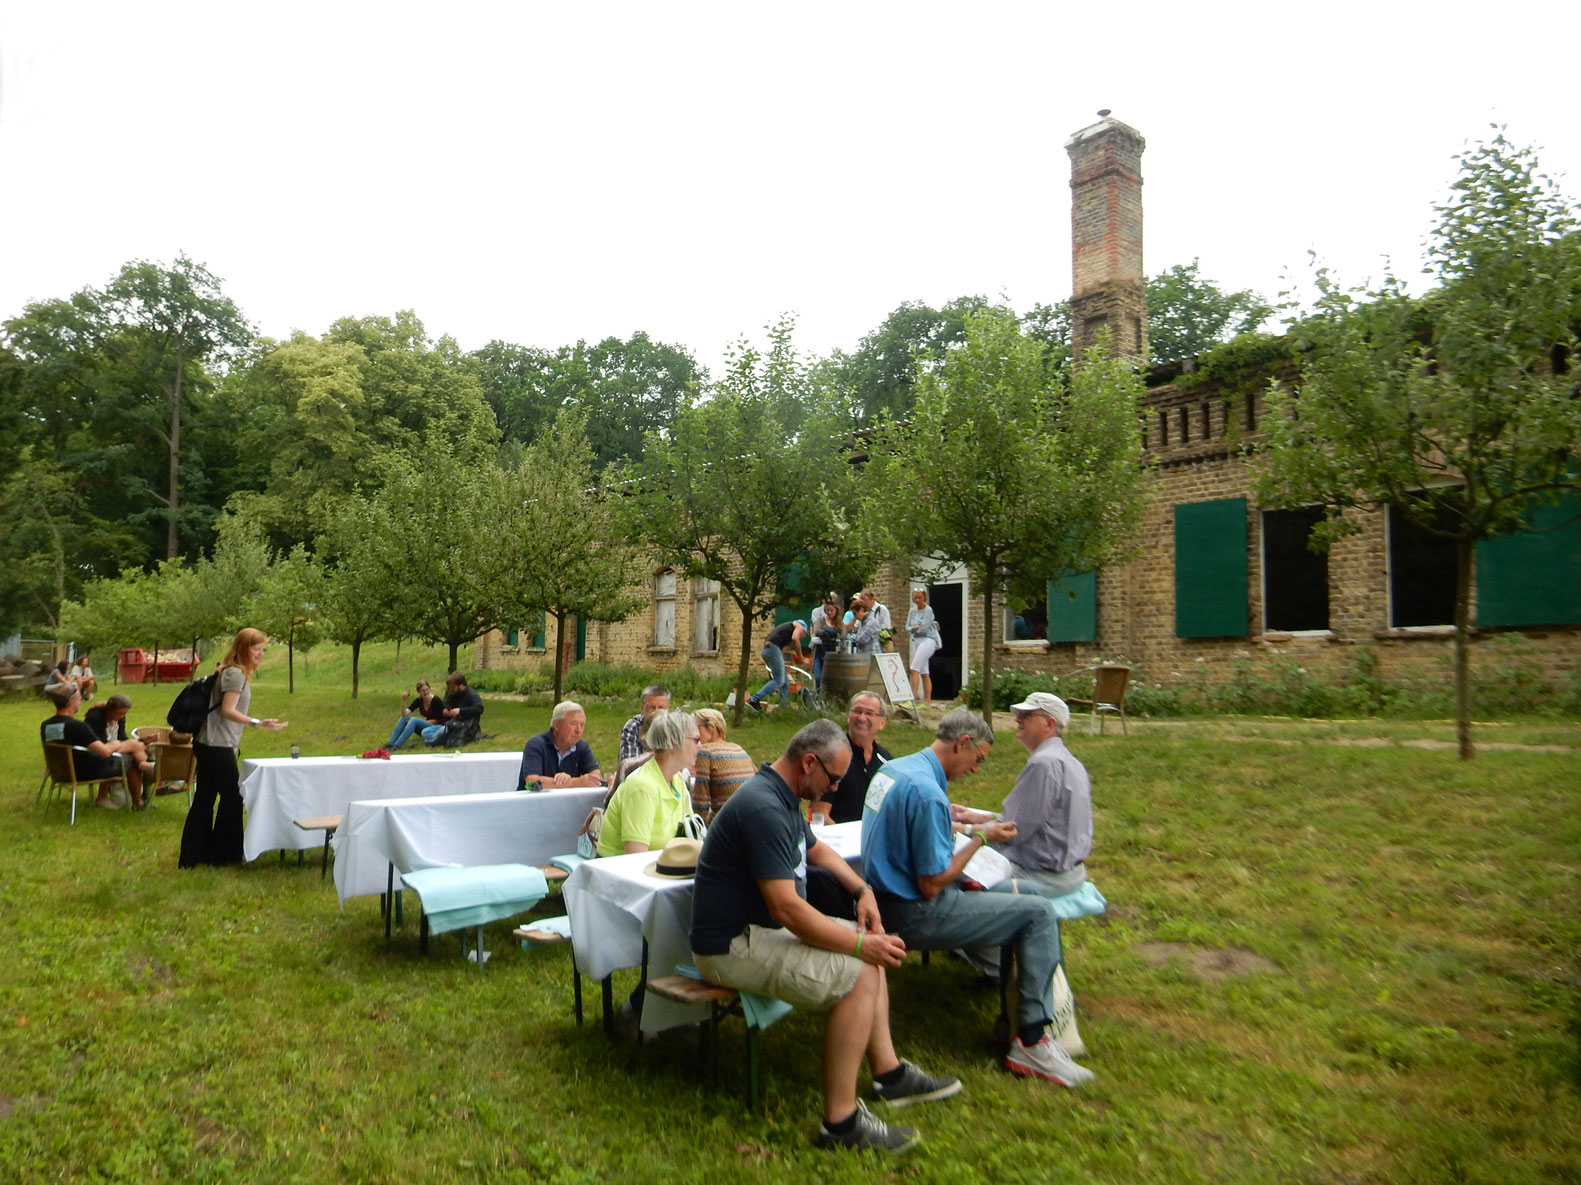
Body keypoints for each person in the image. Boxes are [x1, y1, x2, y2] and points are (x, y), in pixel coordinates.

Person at [690, 718, 959, 1154]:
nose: (834, 789)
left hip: (760, 931)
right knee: (860, 968)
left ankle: (888, 1074)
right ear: (808, 762)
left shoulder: (780, 793)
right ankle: (841, 1123)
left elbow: (814, 847)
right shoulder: (763, 807)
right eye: (832, 779)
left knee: (873, 944)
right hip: (732, 945)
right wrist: (856, 944)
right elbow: (787, 909)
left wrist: (862, 890)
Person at [861, 707, 1095, 1088]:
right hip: (915, 913)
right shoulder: (927, 792)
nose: (976, 769)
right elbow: (933, 883)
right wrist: (980, 839)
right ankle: (1033, 1041)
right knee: (1038, 912)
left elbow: (907, 836)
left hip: (885, 899)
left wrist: (950, 828)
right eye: (978, 759)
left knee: (1030, 892)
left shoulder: (896, 770)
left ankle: (1012, 1016)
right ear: (962, 743)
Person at [179, 628, 288, 867]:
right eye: (256, 649)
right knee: (231, 796)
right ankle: (223, 855)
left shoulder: (231, 672)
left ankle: (196, 855)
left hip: (213, 743)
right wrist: (259, 723)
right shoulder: (234, 674)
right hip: (215, 744)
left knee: (206, 797)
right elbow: (228, 711)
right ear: (242, 648)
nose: (260, 654)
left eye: (262, 649)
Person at [597, 710, 698, 857]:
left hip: (659, 869)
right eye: (696, 739)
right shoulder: (643, 787)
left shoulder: (677, 781)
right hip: (620, 874)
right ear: (674, 743)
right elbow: (635, 858)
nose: (700, 746)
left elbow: (690, 838)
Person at [41, 685, 153, 810]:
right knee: (128, 759)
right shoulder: (78, 727)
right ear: (71, 702)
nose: (81, 702)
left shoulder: (46, 725)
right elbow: (105, 751)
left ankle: (136, 800)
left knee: (127, 753)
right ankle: (134, 800)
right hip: (84, 772)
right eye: (79, 699)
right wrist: (116, 744)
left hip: (59, 771)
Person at [813, 691, 891, 825]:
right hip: (836, 840)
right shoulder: (831, 757)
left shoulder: (887, 762)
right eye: (857, 711)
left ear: (882, 722)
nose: (861, 718)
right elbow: (820, 815)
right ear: (849, 716)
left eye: (869, 713)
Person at [517, 700, 604, 790]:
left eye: (582, 725)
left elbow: (596, 777)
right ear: (556, 725)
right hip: (531, 802)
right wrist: (573, 782)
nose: (578, 730)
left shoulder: (582, 747)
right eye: (573, 724)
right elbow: (532, 783)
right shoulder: (536, 745)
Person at [690, 707, 753, 821]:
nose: (694, 734)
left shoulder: (706, 752)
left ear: (711, 728)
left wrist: (697, 829)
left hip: (727, 823)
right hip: (751, 816)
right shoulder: (738, 749)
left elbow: (701, 801)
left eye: (695, 728)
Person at [83, 694, 153, 781]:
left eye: (124, 713)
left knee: (134, 751)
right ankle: (146, 765)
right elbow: (100, 743)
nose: (121, 716)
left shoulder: (120, 718)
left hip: (113, 747)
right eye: (119, 713)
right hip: (99, 751)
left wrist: (143, 740)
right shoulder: (95, 718)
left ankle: (104, 794)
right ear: (109, 710)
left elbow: (122, 737)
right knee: (134, 746)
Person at [747, 618, 808, 711]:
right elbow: (795, 639)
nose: (802, 637)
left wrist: (793, 659)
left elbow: (782, 652)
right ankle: (754, 700)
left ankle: (784, 708)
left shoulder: (786, 632)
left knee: (785, 682)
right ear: (804, 631)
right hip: (772, 649)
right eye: (803, 635)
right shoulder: (799, 626)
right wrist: (800, 656)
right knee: (779, 680)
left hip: (768, 649)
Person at [421, 671, 484, 746]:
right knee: (425, 732)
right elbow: (446, 704)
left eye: (453, 687)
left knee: (440, 732)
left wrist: (460, 711)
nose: (451, 689)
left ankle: (432, 741)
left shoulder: (472, 695)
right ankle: (438, 738)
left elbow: (479, 708)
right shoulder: (454, 693)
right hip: (452, 723)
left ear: (460, 685)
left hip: (464, 725)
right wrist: (446, 710)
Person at [385, 680, 447, 751]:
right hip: (427, 726)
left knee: (413, 720)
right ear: (419, 692)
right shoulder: (419, 700)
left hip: (437, 727)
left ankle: (397, 745)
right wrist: (404, 701)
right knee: (404, 719)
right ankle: (390, 743)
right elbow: (404, 714)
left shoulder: (436, 700)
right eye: (422, 691)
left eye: (427, 690)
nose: (425, 692)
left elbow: (441, 720)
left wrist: (422, 722)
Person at [905, 589, 942, 704]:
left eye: (919, 598)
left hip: (928, 640)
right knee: (924, 672)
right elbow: (908, 627)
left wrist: (915, 629)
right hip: (917, 641)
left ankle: (912, 698)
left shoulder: (928, 610)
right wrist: (914, 629)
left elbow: (924, 628)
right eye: (915, 598)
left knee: (914, 668)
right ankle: (927, 700)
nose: (917, 600)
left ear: (924, 598)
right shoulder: (912, 611)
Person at [618, 684, 670, 763]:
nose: (656, 712)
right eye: (651, 708)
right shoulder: (633, 727)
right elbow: (630, 765)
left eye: (661, 708)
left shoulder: (674, 727)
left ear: (668, 708)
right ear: (642, 708)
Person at [809, 592, 843, 690]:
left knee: (831, 675)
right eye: (828, 600)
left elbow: (842, 630)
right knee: (818, 674)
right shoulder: (817, 612)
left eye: (832, 601)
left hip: (832, 646)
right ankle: (816, 694)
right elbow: (818, 630)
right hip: (819, 645)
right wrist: (831, 632)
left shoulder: (837, 616)